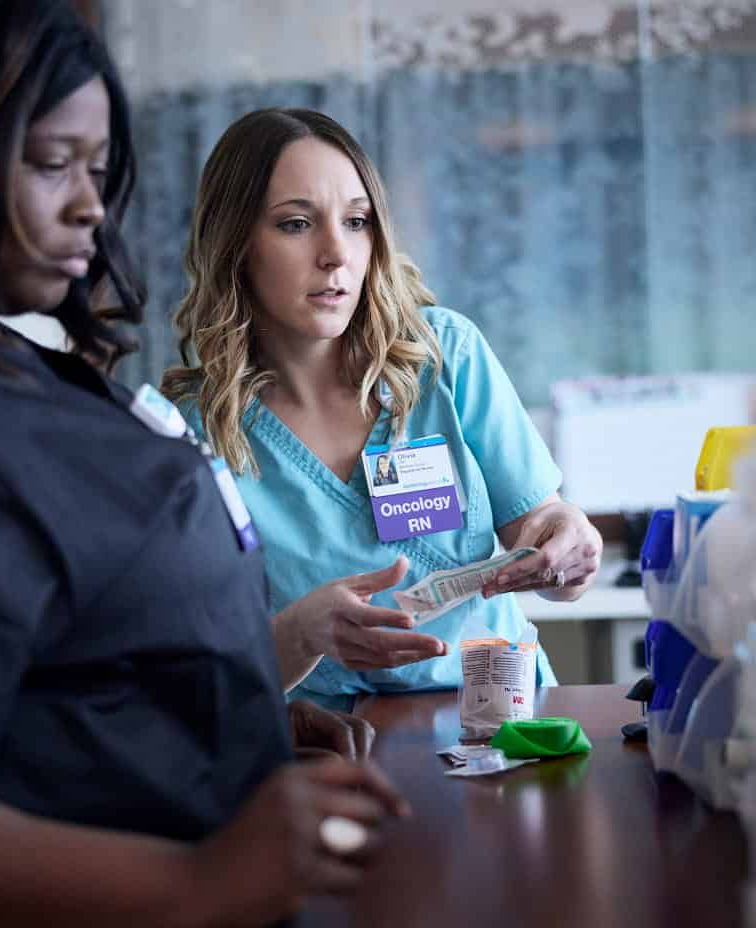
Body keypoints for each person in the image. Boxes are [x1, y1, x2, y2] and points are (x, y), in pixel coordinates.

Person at [0, 5, 408, 926]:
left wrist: (225, 732)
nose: (92, 205)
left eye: (97, 169)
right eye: (51, 163)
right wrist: (199, 878)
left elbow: (43, 681)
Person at [162, 108, 603, 709]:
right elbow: (190, 670)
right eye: (295, 224)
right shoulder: (188, 431)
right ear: (235, 242)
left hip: (501, 719)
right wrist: (300, 635)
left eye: (356, 222)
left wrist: (562, 545)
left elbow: (540, 532)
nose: (335, 254)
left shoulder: (446, 357)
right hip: (328, 750)